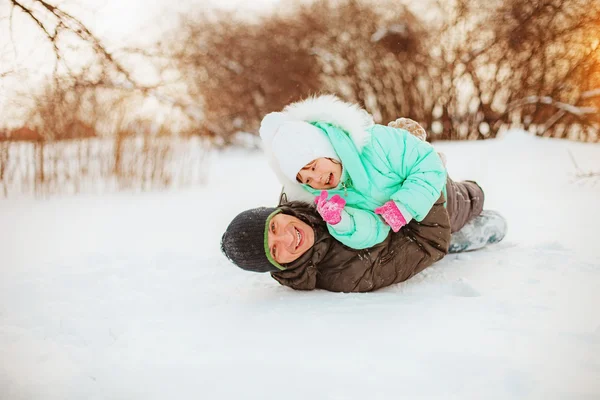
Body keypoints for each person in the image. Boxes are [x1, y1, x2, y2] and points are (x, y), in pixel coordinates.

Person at [220, 180, 507, 293]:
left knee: (471, 193)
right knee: (477, 207)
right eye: (275, 250)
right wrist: (422, 187)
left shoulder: (303, 193)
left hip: (397, 190)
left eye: (273, 228)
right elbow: (426, 243)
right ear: (277, 266)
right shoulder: (343, 273)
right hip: (419, 218)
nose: (286, 238)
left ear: (277, 211)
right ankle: (465, 231)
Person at [259, 94, 448, 250]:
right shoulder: (331, 198)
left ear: (328, 149)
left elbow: (429, 165)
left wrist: (403, 207)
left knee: (465, 201)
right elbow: (375, 229)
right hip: (412, 228)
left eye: (314, 167)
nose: (316, 179)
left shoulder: (376, 142)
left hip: (437, 194)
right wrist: (342, 222)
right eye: (307, 180)